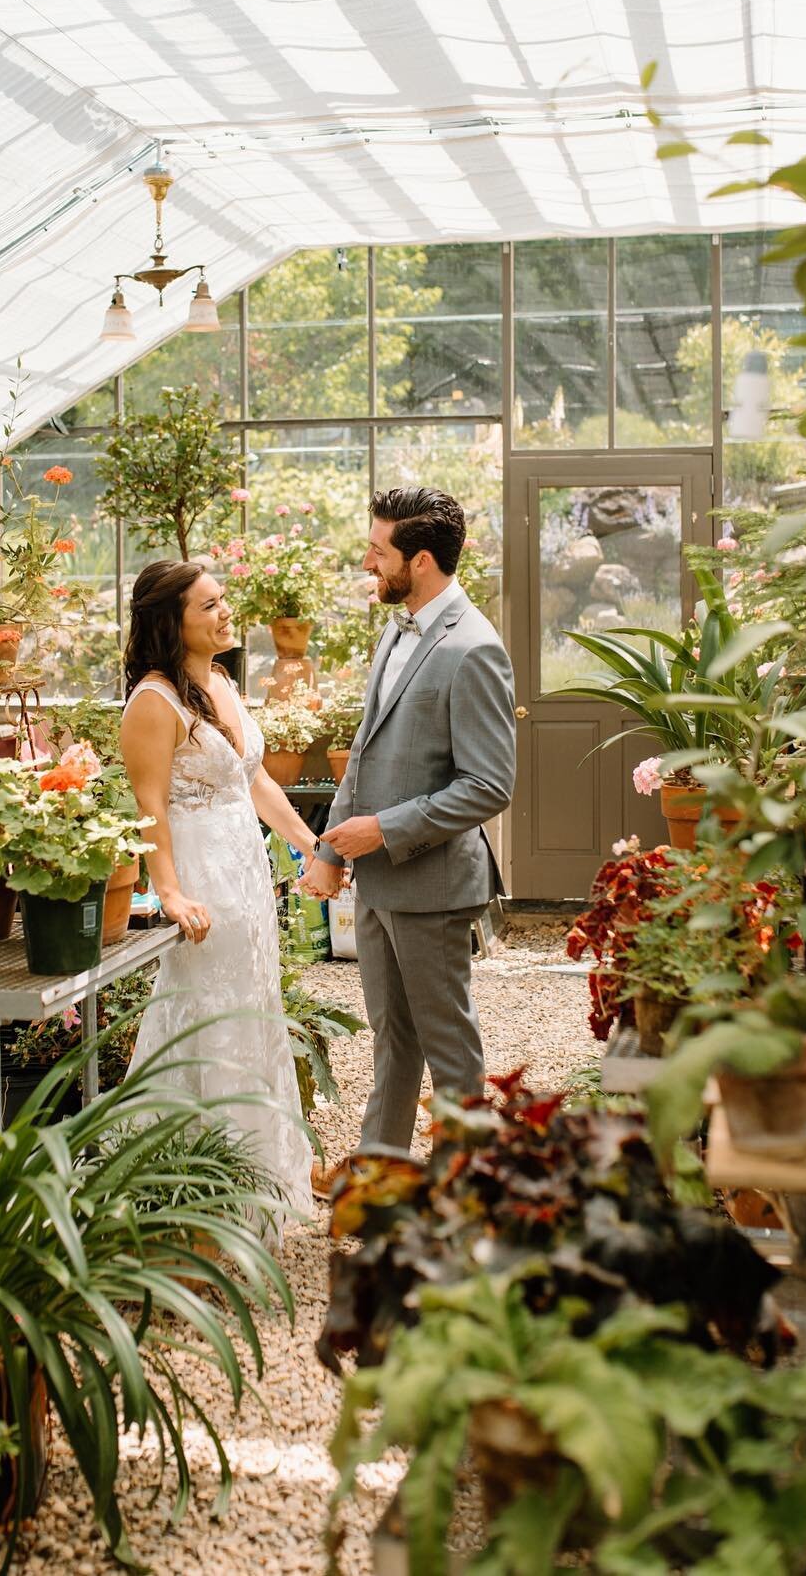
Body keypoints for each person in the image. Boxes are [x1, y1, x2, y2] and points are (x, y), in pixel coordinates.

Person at [303, 487, 516, 1155]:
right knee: (393, 1040)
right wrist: (331, 849)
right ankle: (380, 1172)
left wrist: (385, 831)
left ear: (420, 560)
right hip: (376, 880)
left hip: (433, 887)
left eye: (378, 549)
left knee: (450, 1052)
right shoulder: (397, 629)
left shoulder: (475, 648)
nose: (368, 560)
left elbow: (489, 784)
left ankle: (464, 1192)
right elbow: (364, 752)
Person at [118, 558, 315, 1214]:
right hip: (202, 877)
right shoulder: (153, 701)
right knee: (205, 1018)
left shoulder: (223, 681)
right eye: (209, 605)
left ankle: (255, 1180)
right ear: (172, 623)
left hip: (248, 876)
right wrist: (168, 891)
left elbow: (252, 780)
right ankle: (188, 1193)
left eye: (222, 600)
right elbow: (150, 809)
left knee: (252, 1014)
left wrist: (309, 841)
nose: (226, 611)